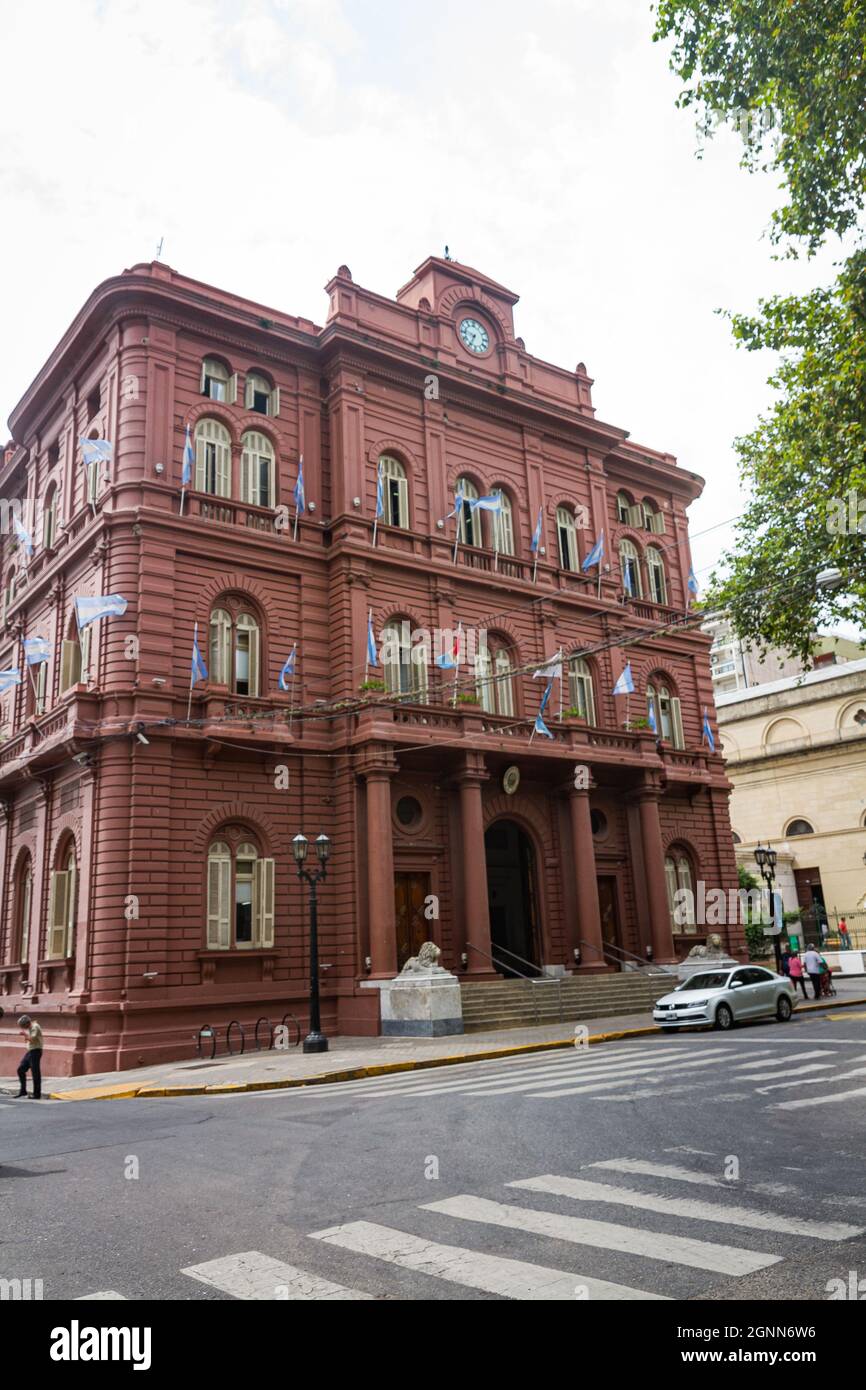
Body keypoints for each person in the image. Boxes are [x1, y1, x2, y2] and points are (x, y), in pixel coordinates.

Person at [15, 1014, 43, 1099]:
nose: (23, 1028)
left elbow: (32, 1039)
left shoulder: (35, 1027)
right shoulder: (31, 1027)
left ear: (26, 1024)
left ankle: (36, 1094)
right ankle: (23, 1091)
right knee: (20, 1069)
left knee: (35, 1073)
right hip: (30, 1051)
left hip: (36, 1051)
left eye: (23, 1026)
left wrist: (25, 1035)